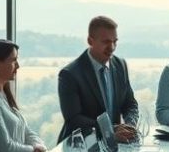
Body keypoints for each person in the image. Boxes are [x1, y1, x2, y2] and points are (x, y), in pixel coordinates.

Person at [56, 15, 138, 143]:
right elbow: (74, 119)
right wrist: (111, 130)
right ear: (90, 41)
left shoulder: (120, 65)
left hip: (115, 145)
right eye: (106, 42)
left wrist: (130, 125)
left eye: (114, 41)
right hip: (80, 147)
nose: (112, 47)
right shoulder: (69, 74)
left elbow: (130, 104)